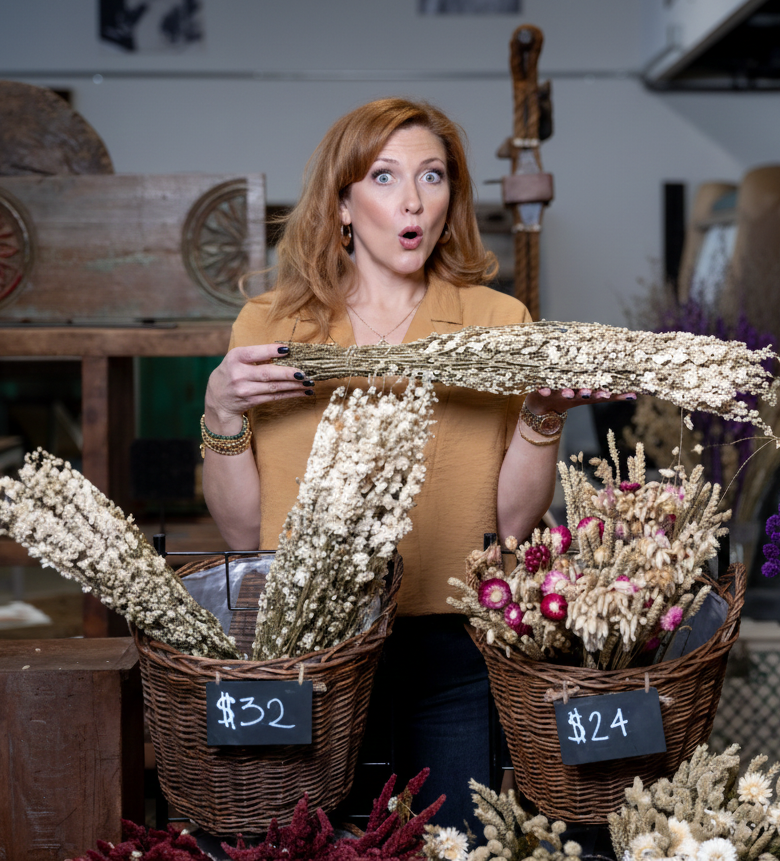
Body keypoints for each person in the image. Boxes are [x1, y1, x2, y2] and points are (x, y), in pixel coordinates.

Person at [201, 97, 631, 828]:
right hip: (312, 649)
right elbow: (247, 531)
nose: (412, 200)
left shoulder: (498, 324)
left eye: (432, 177)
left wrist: (545, 412)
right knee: (314, 842)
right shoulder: (274, 326)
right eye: (383, 177)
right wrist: (220, 412)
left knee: (456, 841)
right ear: (342, 202)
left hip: (452, 649)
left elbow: (512, 522)